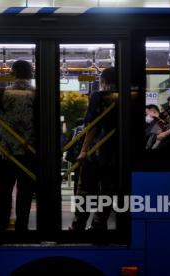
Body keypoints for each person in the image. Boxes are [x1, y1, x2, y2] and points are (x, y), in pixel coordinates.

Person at [0, 60, 37, 232]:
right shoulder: (40, 95)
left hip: (6, 153)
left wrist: (2, 141)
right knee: (25, 193)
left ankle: (1, 227)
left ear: (12, 74)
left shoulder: (0, 94)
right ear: (32, 74)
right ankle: (22, 228)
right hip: (30, 153)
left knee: (4, 192)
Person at [70, 67, 118, 231]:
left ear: (103, 81)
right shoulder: (129, 95)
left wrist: (84, 150)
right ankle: (98, 224)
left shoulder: (98, 96)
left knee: (85, 190)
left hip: (95, 150)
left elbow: (92, 125)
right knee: (107, 190)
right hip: (116, 153)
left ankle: (78, 224)